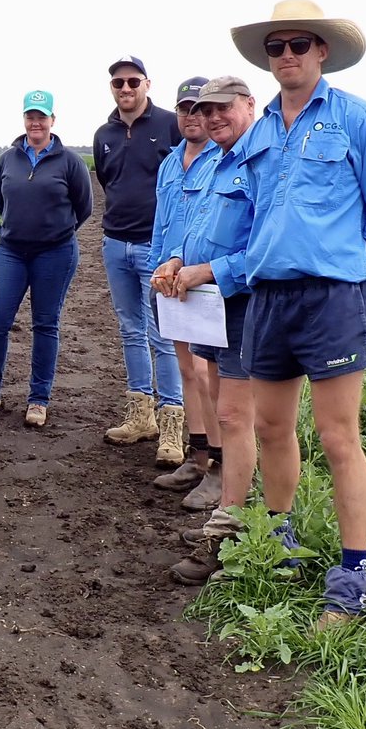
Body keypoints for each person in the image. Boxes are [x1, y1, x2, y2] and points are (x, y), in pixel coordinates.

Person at [231, 0, 366, 628]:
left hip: (334, 298)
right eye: (276, 46)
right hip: (269, 299)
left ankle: (354, 575)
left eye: (299, 45)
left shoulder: (363, 123)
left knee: (339, 437)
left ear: (322, 52)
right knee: (272, 429)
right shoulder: (257, 134)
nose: (286, 56)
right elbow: (251, 218)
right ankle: (277, 543)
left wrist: (347, 275)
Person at [151, 77, 263, 585]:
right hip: (208, 300)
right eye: (205, 109)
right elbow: (194, 229)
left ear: (248, 106)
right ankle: (231, 517)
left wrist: (208, 271)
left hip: (239, 300)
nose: (214, 117)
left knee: (242, 417)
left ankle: (238, 532)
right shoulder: (219, 160)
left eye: (224, 108)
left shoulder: (261, 161)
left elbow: (265, 246)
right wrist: (177, 259)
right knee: (225, 405)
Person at [0, 90, 92, 428]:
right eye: (31, 116)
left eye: (42, 116)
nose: (36, 121)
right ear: (24, 120)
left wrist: (54, 231)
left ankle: (38, 399)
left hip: (56, 252)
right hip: (12, 251)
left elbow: (84, 208)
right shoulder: (8, 159)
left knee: (45, 324)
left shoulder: (70, 161)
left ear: (53, 120)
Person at [93, 56, 185, 464]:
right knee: (130, 330)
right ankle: (140, 415)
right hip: (116, 243)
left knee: (162, 334)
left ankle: (171, 425)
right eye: (118, 83)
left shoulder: (169, 124)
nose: (125, 89)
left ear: (147, 83)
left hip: (156, 248)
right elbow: (106, 180)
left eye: (132, 81)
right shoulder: (104, 133)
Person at [148, 79, 221, 496]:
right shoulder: (170, 162)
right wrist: (157, 266)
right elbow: (161, 221)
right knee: (184, 371)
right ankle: (196, 460)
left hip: (203, 279)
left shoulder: (223, 160)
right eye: (185, 109)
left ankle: (218, 464)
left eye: (199, 109)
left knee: (204, 371)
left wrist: (184, 265)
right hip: (169, 278)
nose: (192, 117)